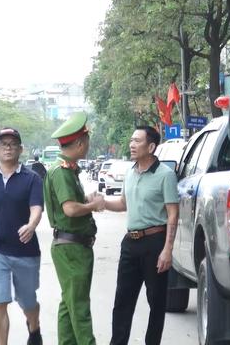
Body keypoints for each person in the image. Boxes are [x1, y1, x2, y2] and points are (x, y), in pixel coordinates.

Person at [104, 126, 179, 345]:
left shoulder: (165, 175)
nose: (132, 145)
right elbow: (123, 204)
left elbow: (173, 214)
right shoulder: (130, 172)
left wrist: (167, 249)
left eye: (137, 141)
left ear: (151, 146)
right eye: (131, 141)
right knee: (122, 301)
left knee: (156, 301)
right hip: (130, 243)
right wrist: (101, 203)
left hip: (155, 243)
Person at [0, 128, 44, 345]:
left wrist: (31, 225)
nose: (8, 147)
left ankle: (34, 326)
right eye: (3, 144)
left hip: (26, 250)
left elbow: (36, 208)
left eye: (13, 144)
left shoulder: (31, 178)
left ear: (21, 149)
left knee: (28, 301)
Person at [43, 111, 105, 345]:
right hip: (72, 249)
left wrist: (86, 200)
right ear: (79, 143)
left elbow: (69, 205)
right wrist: (93, 205)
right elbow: (69, 209)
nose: (88, 144)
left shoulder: (67, 169)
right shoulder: (62, 172)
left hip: (72, 247)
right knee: (78, 306)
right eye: (87, 140)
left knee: (68, 305)